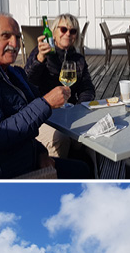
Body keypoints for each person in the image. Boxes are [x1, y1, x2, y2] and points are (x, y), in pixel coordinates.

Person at [0, 13, 90, 179]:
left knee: (83, 166)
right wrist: (46, 102)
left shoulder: (9, 72)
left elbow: (16, 129)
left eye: (17, 37)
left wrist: (41, 152)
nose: (14, 44)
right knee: (82, 172)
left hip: (19, 159)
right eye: (5, 36)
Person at [24, 13, 95, 158]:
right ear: (54, 32)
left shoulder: (78, 59)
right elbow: (27, 81)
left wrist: (80, 109)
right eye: (63, 29)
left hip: (70, 112)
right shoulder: (42, 53)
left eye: (73, 31)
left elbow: (87, 88)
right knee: (61, 138)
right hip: (44, 113)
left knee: (93, 132)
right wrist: (39, 59)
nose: (68, 34)